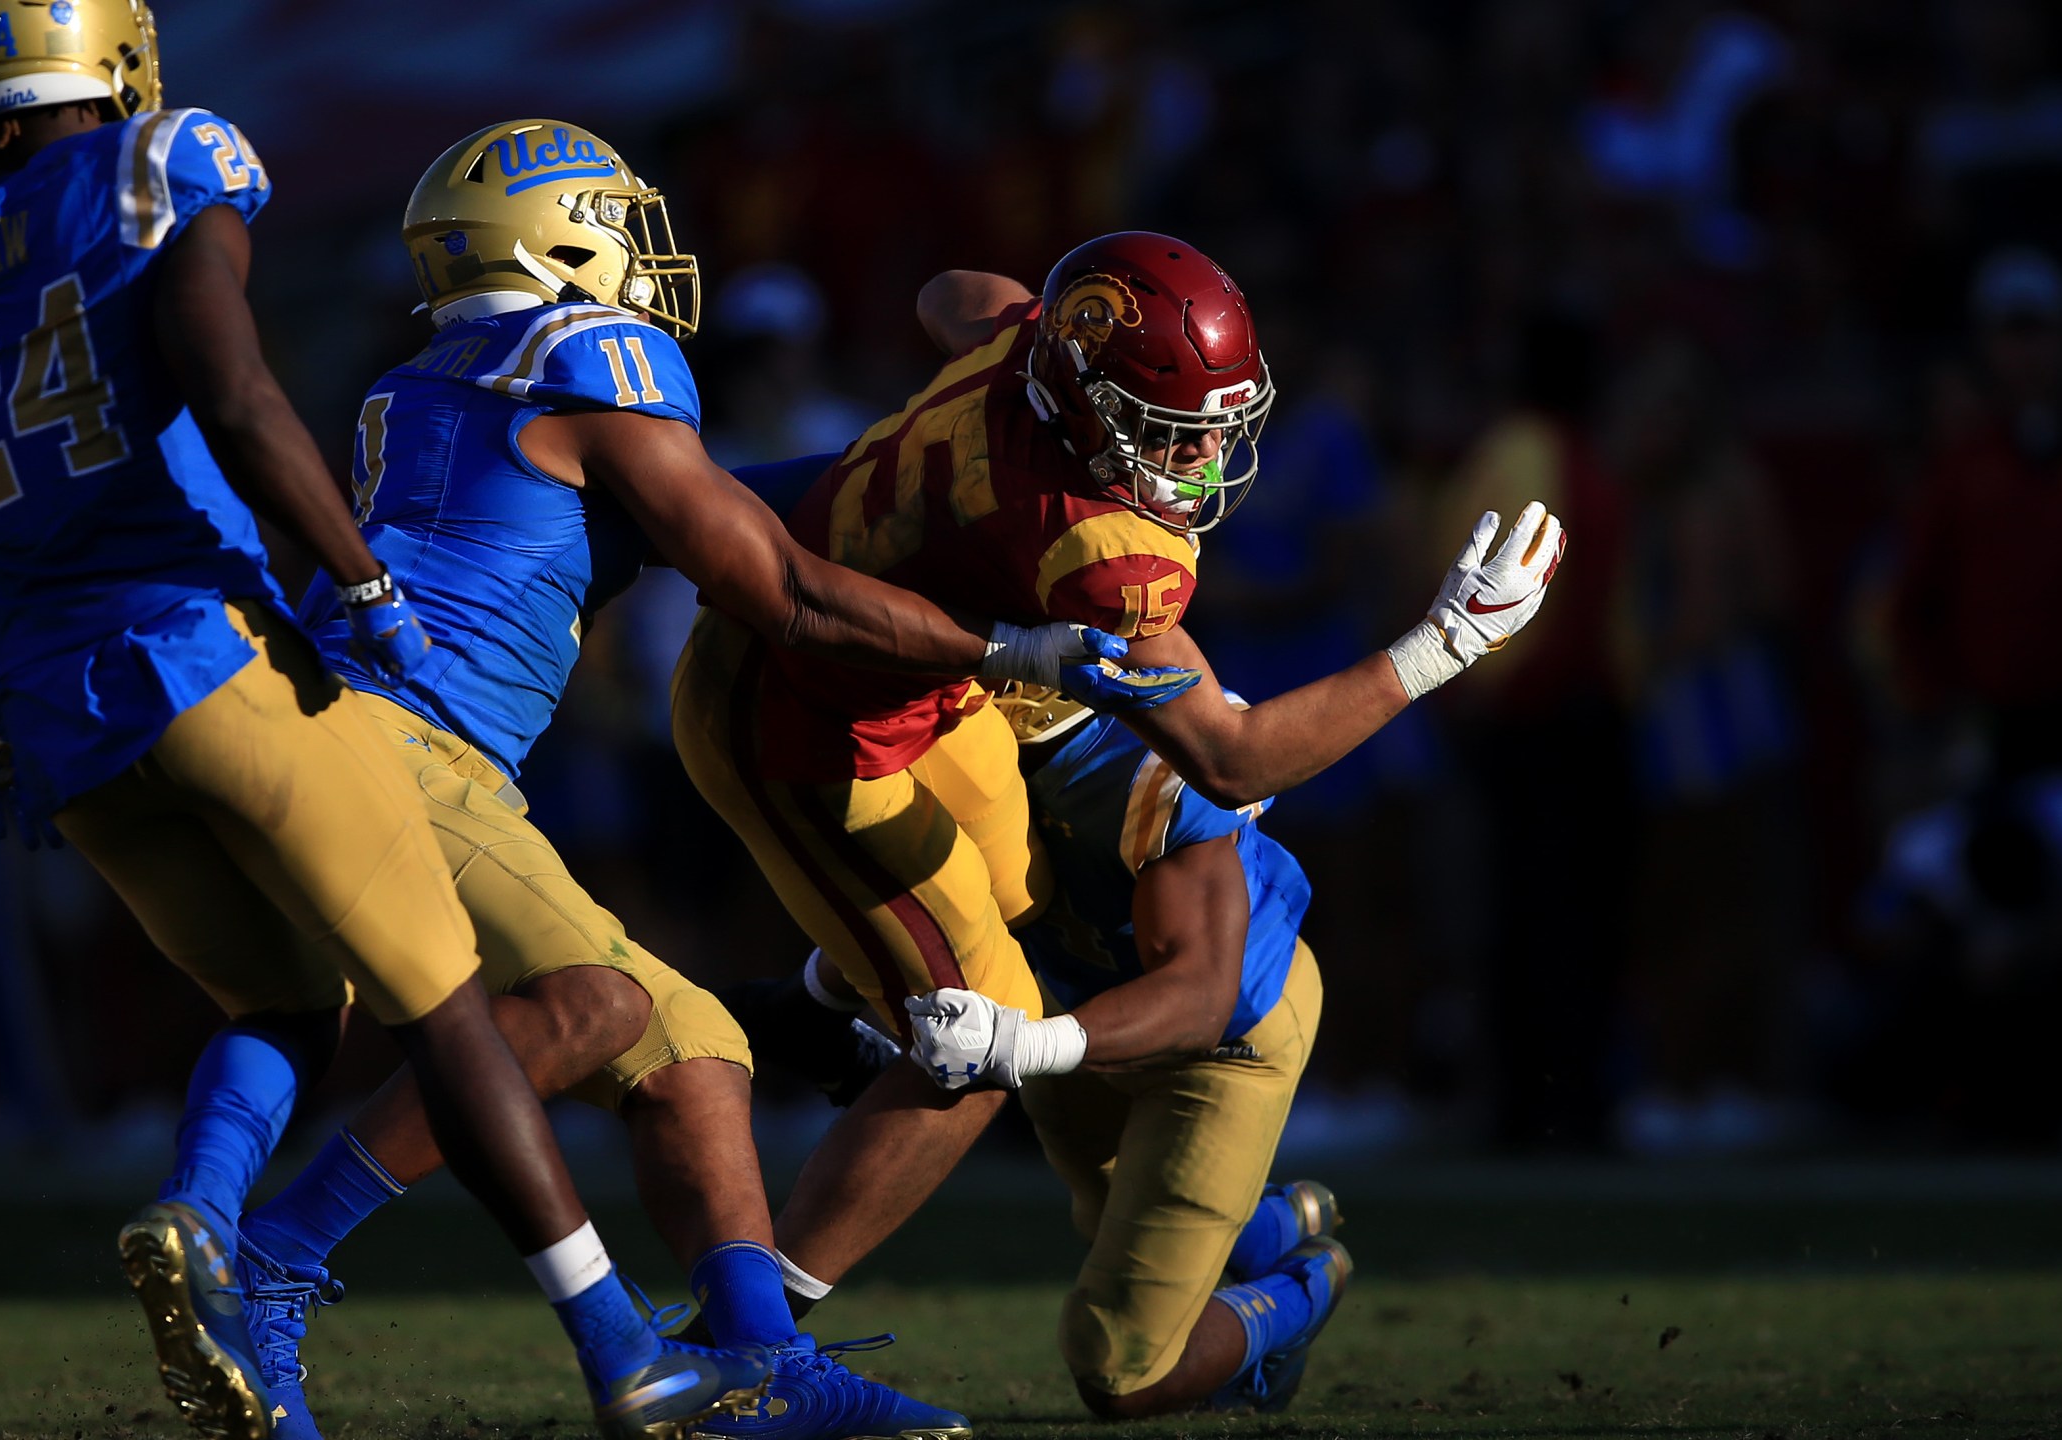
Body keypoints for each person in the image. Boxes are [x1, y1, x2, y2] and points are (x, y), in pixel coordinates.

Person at [0, 12, 770, 1438]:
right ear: (108, 55)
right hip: (211, 654)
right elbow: (239, 399)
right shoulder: (159, 168)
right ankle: (622, 1350)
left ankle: (201, 1213)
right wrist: (363, 583)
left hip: (64, 720)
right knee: (449, 1015)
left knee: (288, 1008)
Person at [228, 119, 1191, 1440]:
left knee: (688, 1044)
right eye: (618, 223)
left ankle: (756, 1358)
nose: (647, 255)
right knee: (586, 1004)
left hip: (354, 729)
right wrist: (1011, 641)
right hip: (413, 751)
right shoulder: (597, 349)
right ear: (560, 241)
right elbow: (777, 584)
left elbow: (714, 505)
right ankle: (271, 1262)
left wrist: (925, 501)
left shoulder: (430, 374)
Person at [669, 237, 1564, 1313]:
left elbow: (951, 289)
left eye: (1217, 423)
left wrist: (1044, 327)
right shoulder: (1104, 549)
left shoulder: (1018, 351)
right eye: (1166, 429)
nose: (1200, 455)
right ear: (1081, 395)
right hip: (809, 719)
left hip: (913, 694)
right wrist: (1438, 648)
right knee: (974, 1043)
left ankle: (821, 1009)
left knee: (1016, 897)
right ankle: (748, 1338)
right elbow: (1233, 762)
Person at [743, 682, 1346, 1416]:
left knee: (1123, 1370)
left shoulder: (1149, 769)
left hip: (1220, 1043)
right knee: (1114, 1215)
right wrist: (818, 994)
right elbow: (949, 894)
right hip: (1078, 1006)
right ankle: (1271, 1222)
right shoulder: (961, 727)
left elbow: (1197, 999)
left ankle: (1308, 1284)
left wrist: (1022, 1043)